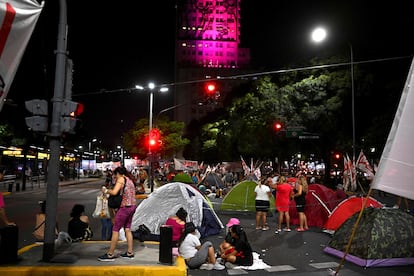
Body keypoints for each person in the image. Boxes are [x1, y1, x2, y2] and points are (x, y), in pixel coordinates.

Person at [98, 166, 137, 261]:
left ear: (118, 173)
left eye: (115, 175)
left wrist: (106, 190)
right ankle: (130, 252)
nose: (115, 177)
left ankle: (110, 254)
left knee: (115, 229)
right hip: (132, 206)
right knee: (127, 229)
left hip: (125, 207)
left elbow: (115, 192)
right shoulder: (129, 180)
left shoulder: (121, 179)